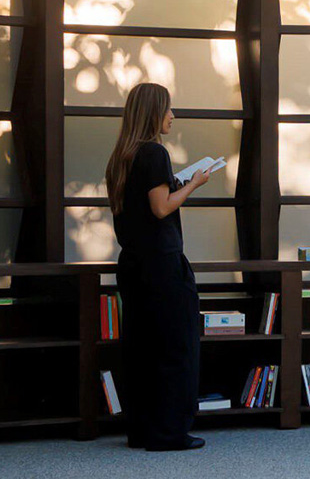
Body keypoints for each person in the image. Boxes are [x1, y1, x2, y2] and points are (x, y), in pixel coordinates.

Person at [104, 82, 211, 451]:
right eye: (168, 108)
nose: (172, 115)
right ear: (153, 112)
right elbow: (161, 207)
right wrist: (194, 183)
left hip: (133, 265)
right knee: (174, 348)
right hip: (162, 268)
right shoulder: (153, 153)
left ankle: (143, 431)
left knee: (143, 350)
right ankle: (169, 433)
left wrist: (175, 183)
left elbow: (142, 207)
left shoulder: (122, 156)